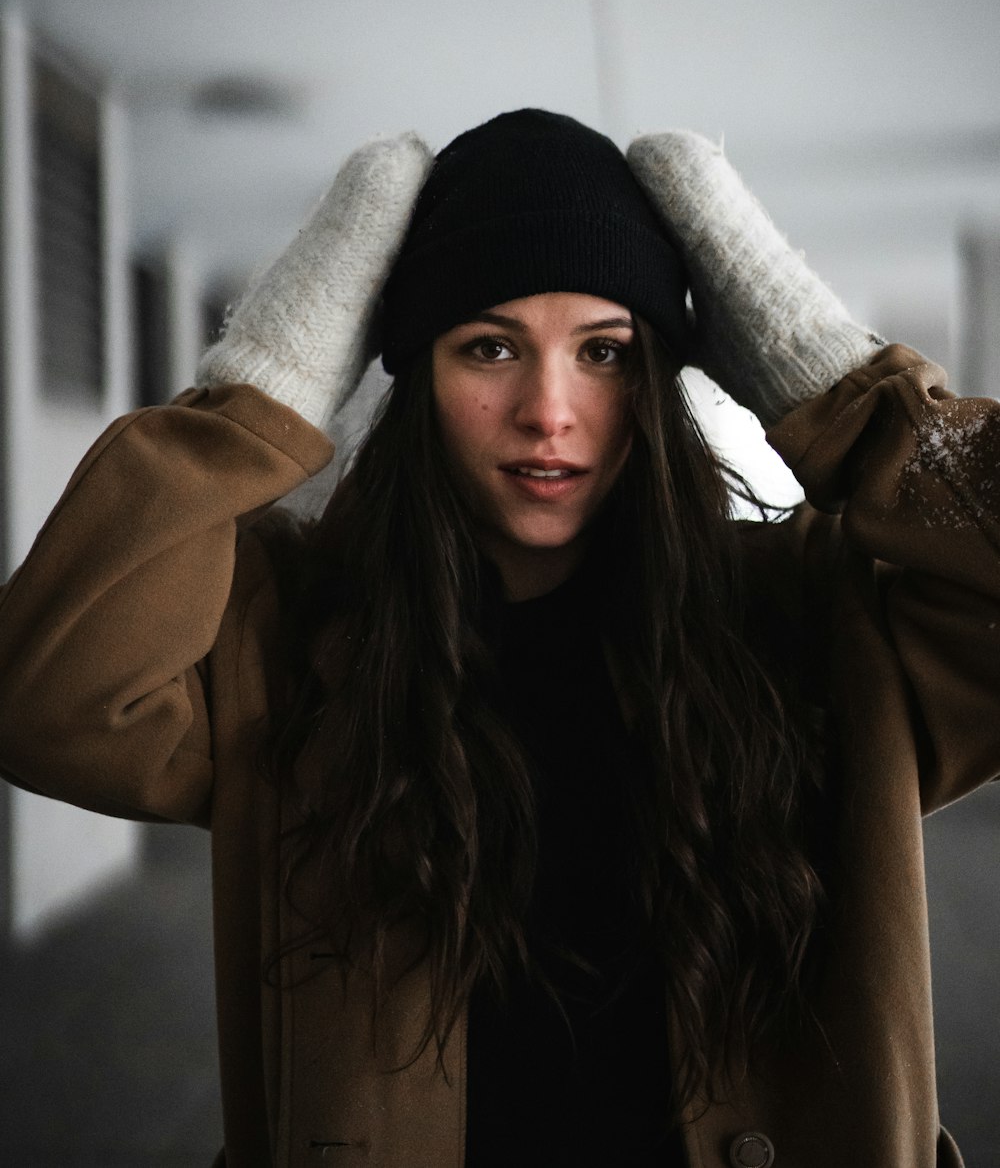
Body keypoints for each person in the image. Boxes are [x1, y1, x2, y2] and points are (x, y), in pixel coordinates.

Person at [0, 107, 996, 1168]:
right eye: (488, 346)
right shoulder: (289, 633)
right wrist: (261, 383)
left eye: (605, 352)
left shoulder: (805, 622)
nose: (547, 409)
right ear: (414, 375)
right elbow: (49, 701)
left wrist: (835, 382)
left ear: (657, 381)